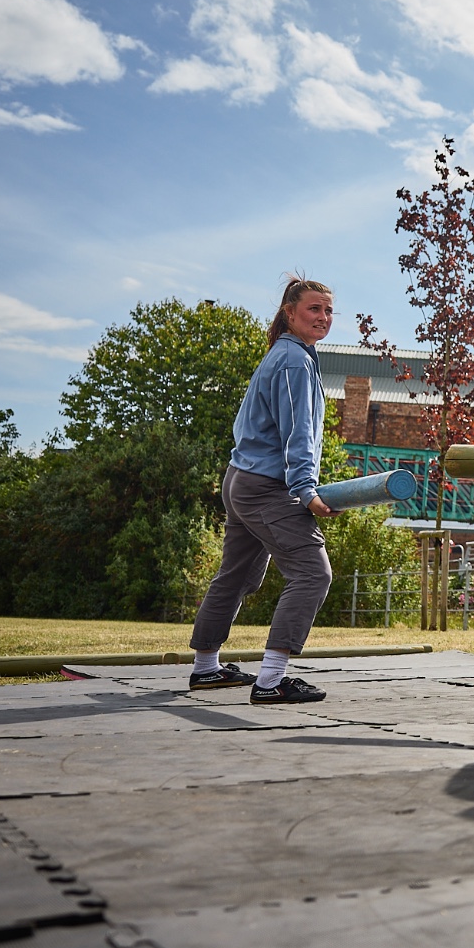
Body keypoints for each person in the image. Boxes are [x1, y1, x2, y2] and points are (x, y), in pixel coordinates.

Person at [187, 278, 339, 705]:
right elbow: (298, 432)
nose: (323, 318)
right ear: (290, 312)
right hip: (267, 487)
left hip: (242, 478)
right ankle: (271, 681)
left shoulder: (285, 354)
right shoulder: (293, 360)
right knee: (312, 573)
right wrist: (305, 489)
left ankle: (206, 669)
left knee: (237, 575)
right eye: (313, 309)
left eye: (328, 311)